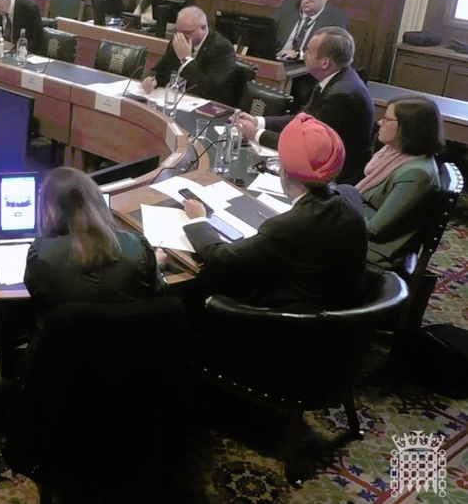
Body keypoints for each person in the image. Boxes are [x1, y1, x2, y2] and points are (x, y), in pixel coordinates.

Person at [183, 113, 368, 310]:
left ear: (285, 171)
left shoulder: (287, 226)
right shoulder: (350, 195)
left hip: (295, 320)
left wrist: (198, 220)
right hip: (349, 314)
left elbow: (221, 258)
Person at [24, 167, 167, 336]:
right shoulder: (137, 247)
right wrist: (155, 263)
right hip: (127, 347)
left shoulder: (41, 254)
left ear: (48, 210)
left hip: (63, 350)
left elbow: (36, 298)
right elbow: (158, 292)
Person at [237, 26, 374, 184]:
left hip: (338, 180)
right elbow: (300, 121)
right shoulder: (335, 79)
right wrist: (258, 121)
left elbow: (307, 146)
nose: (304, 55)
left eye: (308, 51)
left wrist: (256, 134)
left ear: (325, 62)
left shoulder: (341, 95)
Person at [356, 96, 444, 269]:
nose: (380, 123)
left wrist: (338, 214)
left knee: (307, 234)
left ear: (409, 127)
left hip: (377, 250)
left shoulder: (417, 174)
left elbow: (375, 229)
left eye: (387, 119)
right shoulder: (395, 154)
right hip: (362, 228)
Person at [141, 6, 236, 105]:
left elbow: (207, 89)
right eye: (178, 31)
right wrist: (150, 79)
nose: (181, 36)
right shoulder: (177, 42)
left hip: (206, 106)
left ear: (203, 28)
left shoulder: (221, 48)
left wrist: (186, 60)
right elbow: (159, 70)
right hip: (173, 101)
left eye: (186, 32)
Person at [273, 0, 348, 61]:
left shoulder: (336, 18)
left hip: (308, 65)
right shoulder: (289, 8)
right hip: (278, 59)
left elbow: (331, 50)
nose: (306, 1)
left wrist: (299, 54)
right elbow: (269, 31)